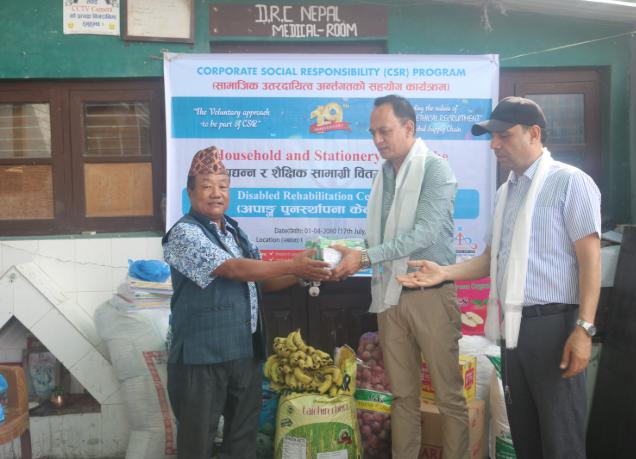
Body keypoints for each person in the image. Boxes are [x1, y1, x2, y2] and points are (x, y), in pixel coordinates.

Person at [398, 97, 601, 459]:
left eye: (504, 136)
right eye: (492, 137)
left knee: (561, 440)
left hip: (555, 327)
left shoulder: (570, 182)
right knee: (526, 437)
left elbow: (591, 262)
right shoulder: (506, 193)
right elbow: (490, 260)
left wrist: (584, 329)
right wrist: (443, 273)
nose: (494, 145)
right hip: (514, 330)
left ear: (533, 133)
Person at [162, 146, 332, 459]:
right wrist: (292, 264)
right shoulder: (184, 233)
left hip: (244, 352)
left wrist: (305, 273)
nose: (216, 193)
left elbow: (260, 280)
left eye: (223, 186)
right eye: (207, 186)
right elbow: (233, 269)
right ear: (190, 192)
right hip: (201, 357)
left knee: (242, 440)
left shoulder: (235, 231)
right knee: (197, 443)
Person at [332, 95, 470, 459]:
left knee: (448, 396)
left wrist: (365, 256)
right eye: (373, 133)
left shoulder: (435, 170)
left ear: (409, 128)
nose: (378, 140)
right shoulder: (384, 176)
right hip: (390, 294)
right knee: (403, 396)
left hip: (430, 294)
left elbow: (423, 233)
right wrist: (350, 252)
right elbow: (382, 239)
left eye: (385, 131)